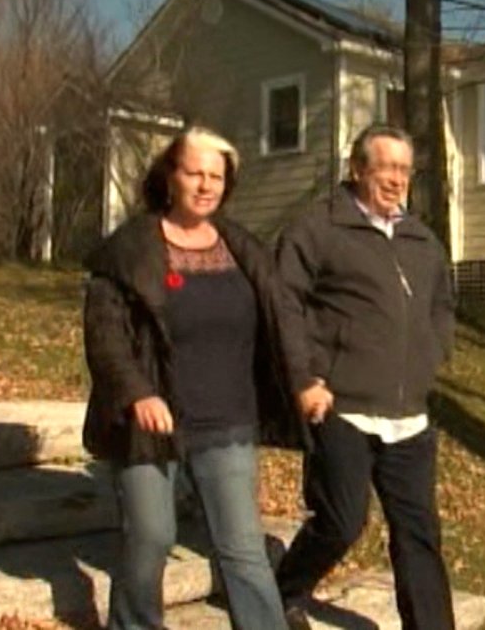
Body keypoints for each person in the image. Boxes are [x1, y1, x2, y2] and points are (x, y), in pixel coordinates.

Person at [81, 126, 327, 630]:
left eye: (216, 175)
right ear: (170, 176)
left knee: (243, 550)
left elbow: (283, 320)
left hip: (228, 421)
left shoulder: (243, 248)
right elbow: (104, 335)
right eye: (194, 172)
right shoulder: (129, 249)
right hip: (151, 427)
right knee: (150, 535)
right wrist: (137, 393)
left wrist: (303, 381)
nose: (206, 184)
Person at [274, 124, 457, 630]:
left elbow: (442, 304)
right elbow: (283, 304)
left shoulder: (422, 239)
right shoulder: (319, 228)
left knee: (419, 532)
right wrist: (305, 377)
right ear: (357, 169)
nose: (397, 180)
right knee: (341, 521)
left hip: (409, 417)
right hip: (341, 405)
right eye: (386, 168)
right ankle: (282, 590)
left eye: (405, 169)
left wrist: (434, 352)